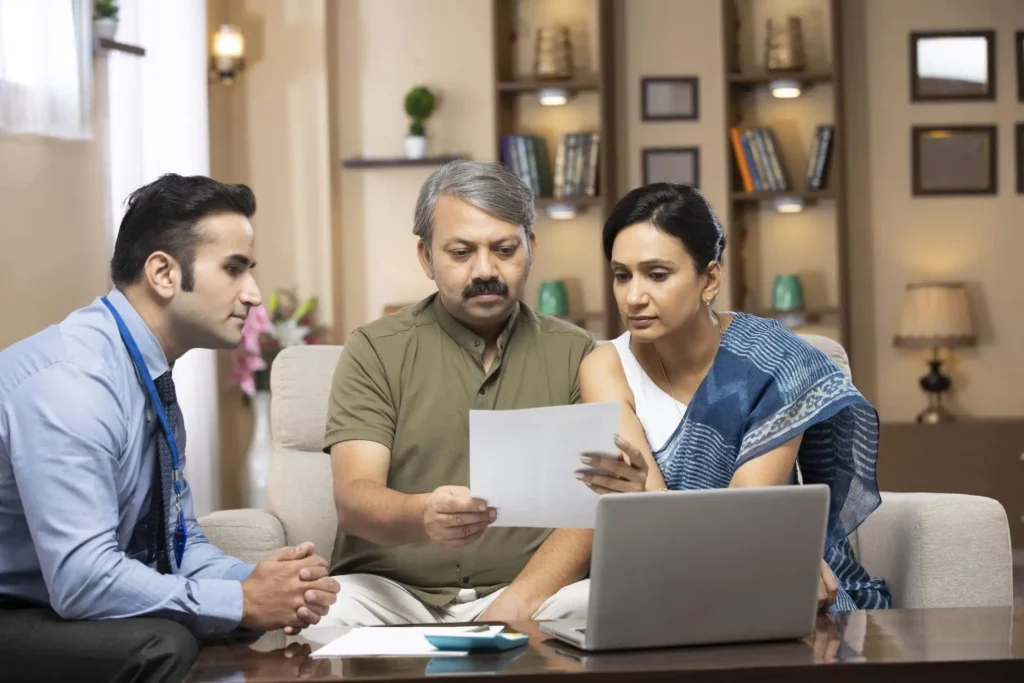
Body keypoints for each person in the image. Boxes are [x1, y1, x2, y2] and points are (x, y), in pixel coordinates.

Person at [0, 174, 340, 683]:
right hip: (18, 607)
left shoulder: (147, 375)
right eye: (234, 269)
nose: (253, 294)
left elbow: (177, 542)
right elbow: (82, 580)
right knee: (164, 643)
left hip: (46, 601)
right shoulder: (72, 385)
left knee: (227, 621)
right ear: (162, 272)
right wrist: (242, 600)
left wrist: (267, 583)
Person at [574, 183, 891, 613]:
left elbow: (744, 516)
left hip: (764, 575)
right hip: (656, 576)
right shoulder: (605, 366)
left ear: (710, 278)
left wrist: (643, 502)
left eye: (658, 274)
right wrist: (641, 504)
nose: (634, 297)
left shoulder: (774, 359)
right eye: (622, 275)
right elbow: (641, 527)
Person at [317, 160, 596, 626]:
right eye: (461, 252)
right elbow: (354, 499)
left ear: (531, 247)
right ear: (426, 257)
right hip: (391, 594)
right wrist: (422, 513)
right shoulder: (374, 349)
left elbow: (589, 502)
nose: (485, 270)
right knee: (324, 614)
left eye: (505, 249)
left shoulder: (577, 353)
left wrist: (518, 604)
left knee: (604, 607)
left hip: (527, 590)